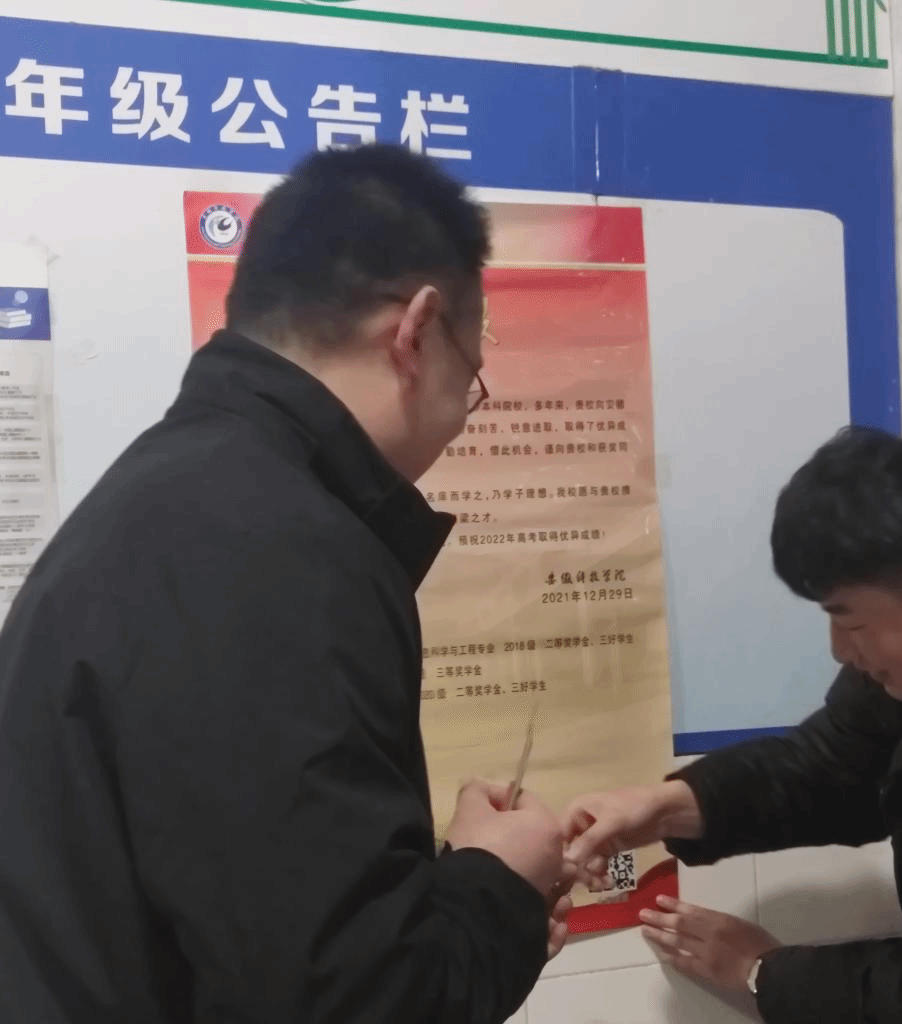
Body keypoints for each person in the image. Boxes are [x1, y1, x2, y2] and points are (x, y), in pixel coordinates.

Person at [0, 144, 573, 1024]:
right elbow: (354, 1000)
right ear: (418, 331)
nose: (466, 408)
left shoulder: (177, 494)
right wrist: (502, 883)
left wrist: (453, 877)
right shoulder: (283, 554)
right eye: (474, 369)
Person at [563, 427, 902, 1024]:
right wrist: (667, 807)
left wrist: (761, 972)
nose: (838, 651)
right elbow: (837, 764)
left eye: (851, 624)